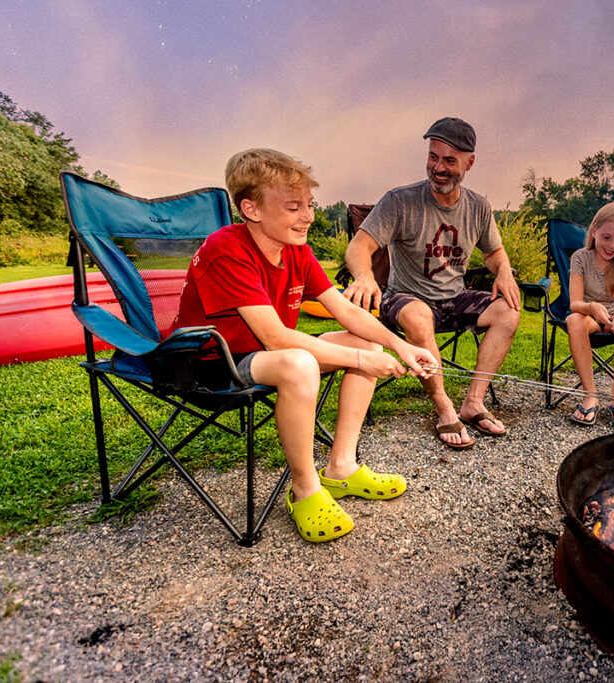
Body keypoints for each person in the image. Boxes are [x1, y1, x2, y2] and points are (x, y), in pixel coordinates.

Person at [170, 148, 438, 543]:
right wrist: (361, 359)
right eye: (294, 207)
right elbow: (277, 338)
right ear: (252, 209)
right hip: (210, 361)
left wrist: (400, 346)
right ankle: (304, 489)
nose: (309, 217)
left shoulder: (297, 252)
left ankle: (342, 469)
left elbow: (346, 313)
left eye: (310, 205)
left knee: (366, 340)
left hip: (264, 354)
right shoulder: (226, 248)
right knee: (300, 363)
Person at [343, 117, 520, 449]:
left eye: (449, 160)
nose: (438, 167)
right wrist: (366, 277)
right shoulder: (400, 201)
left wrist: (504, 272)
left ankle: (474, 402)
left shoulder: (479, 207)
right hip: (403, 297)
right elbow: (359, 247)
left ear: (470, 162)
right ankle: (443, 406)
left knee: (508, 312)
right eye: (433, 156)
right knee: (419, 315)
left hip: (454, 298)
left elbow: (495, 252)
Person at [565, 201, 614, 429]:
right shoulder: (580, 257)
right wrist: (591, 307)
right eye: (606, 237)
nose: (612, 245)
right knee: (573, 320)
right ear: (594, 231)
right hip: (588, 315)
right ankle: (590, 395)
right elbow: (575, 303)